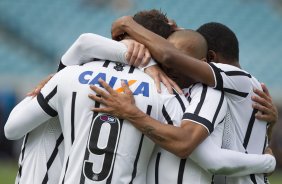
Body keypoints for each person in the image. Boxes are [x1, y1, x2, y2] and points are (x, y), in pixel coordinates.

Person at [4, 10, 189, 184]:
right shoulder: (165, 90)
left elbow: (12, 129)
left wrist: (49, 86)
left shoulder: (68, 75)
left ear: (119, 37)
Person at [88, 29, 275, 184]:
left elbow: (207, 156)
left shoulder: (232, 82)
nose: (169, 66)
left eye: (185, 61)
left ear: (208, 59)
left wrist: (268, 162)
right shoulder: (229, 92)